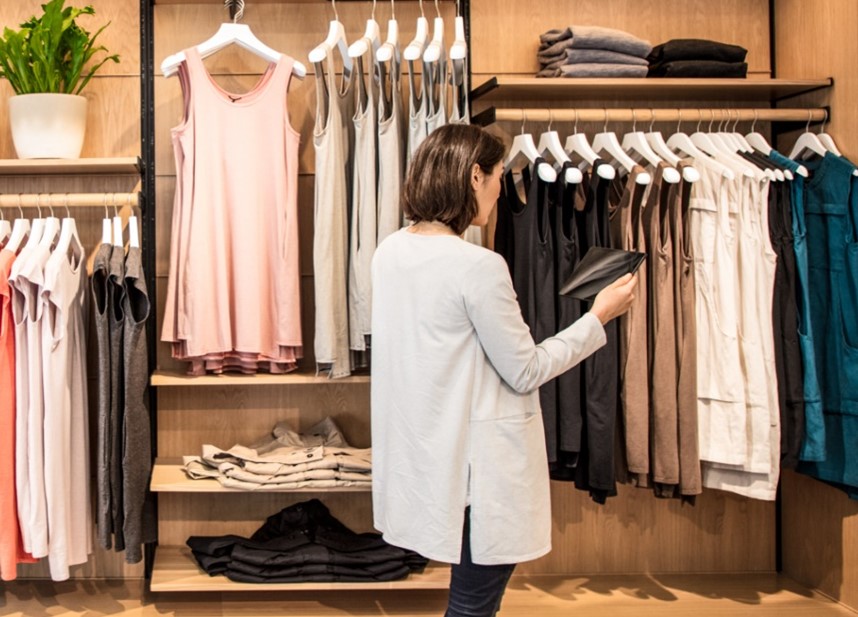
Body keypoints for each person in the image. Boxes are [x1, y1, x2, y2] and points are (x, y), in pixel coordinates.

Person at [370, 124, 636, 617]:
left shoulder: (391, 251)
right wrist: (598, 317)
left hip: (429, 458)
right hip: (480, 470)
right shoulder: (479, 266)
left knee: (470, 601)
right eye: (497, 176)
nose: (499, 190)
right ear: (475, 176)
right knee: (473, 606)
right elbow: (526, 370)